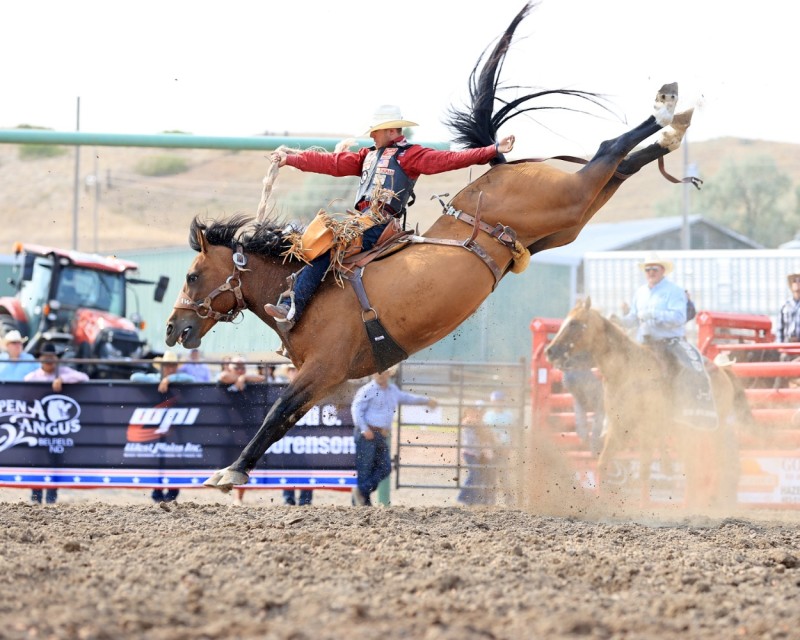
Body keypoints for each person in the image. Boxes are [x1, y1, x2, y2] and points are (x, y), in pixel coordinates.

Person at [264, 104, 516, 332]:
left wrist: (493, 150)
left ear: (391, 131)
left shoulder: (411, 155)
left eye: (376, 130)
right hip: (360, 221)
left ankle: (291, 307)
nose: (372, 135)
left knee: (328, 243)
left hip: (379, 223)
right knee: (306, 241)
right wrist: (290, 159)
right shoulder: (367, 155)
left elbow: (449, 160)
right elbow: (332, 163)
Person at [618, 251, 716, 429]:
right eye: (647, 269)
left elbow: (679, 317)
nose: (650, 272)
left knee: (693, 369)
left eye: (654, 269)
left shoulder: (674, 291)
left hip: (669, 342)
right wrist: (619, 321)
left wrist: (654, 314)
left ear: (662, 270)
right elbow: (633, 318)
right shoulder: (640, 293)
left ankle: (692, 413)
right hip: (644, 343)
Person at [350, 367, 437, 506]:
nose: (380, 374)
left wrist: (426, 400)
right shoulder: (367, 390)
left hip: (379, 434)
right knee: (366, 470)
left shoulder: (392, 390)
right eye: (378, 371)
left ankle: (361, 492)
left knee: (384, 467)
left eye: (383, 371)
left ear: (389, 373)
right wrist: (364, 429)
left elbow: (408, 398)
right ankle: (363, 502)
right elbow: (356, 408)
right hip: (368, 434)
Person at [24, 342, 90, 504]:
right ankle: (36, 497)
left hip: (57, 429)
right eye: (46, 357)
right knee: (36, 460)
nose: (48, 360)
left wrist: (62, 380)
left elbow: (84, 378)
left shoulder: (64, 372)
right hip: (38, 426)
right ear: (40, 359)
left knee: (55, 460)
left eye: (51, 357)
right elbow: (24, 390)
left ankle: (51, 498)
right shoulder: (32, 377)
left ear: (56, 359)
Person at [559, 352, 605, 455]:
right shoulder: (583, 344)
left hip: (567, 375)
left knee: (579, 400)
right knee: (601, 405)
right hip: (582, 373)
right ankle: (595, 442)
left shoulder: (565, 343)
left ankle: (583, 434)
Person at [457, 404, 497, 506]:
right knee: (475, 475)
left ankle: (473, 499)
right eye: (471, 412)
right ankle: (463, 497)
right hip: (470, 453)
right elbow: (469, 422)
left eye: (475, 412)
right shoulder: (468, 422)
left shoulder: (479, 425)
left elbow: (484, 437)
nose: (474, 414)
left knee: (478, 476)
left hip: (476, 454)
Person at [130, 351, 195, 394]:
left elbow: (192, 379)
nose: (171, 369)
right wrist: (159, 381)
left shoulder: (181, 378)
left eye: (173, 366)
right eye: (167, 366)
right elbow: (134, 377)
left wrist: (168, 379)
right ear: (162, 367)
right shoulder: (155, 377)